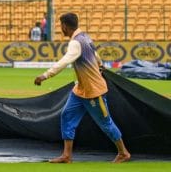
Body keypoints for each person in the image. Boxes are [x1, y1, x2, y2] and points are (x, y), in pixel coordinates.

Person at [34, 13, 131, 164]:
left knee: (105, 123)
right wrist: (100, 65)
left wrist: (45, 75)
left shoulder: (75, 43)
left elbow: (65, 61)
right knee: (67, 115)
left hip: (93, 91)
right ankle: (66, 156)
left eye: (61, 26)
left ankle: (123, 153)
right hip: (80, 90)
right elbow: (95, 54)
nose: (61, 29)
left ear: (65, 26)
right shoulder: (85, 37)